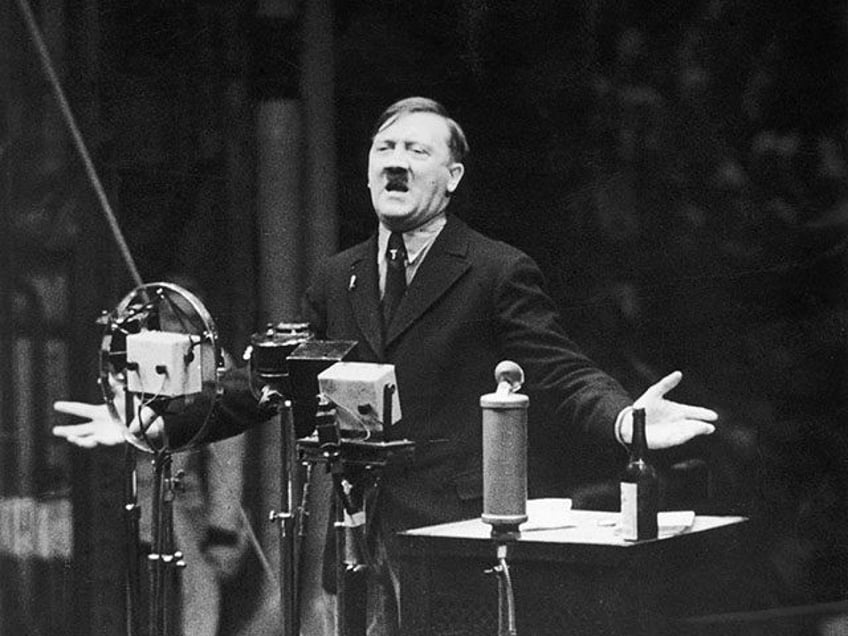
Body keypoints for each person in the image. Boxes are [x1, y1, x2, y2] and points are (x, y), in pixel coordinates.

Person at [55, 96, 718, 635]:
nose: (396, 162)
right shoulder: (337, 276)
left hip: (454, 546)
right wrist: (152, 423)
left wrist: (626, 420)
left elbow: (564, 372)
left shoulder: (495, 270)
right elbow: (266, 382)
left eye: (417, 150)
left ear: (452, 177)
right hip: (361, 541)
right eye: (385, 149)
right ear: (368, 172)